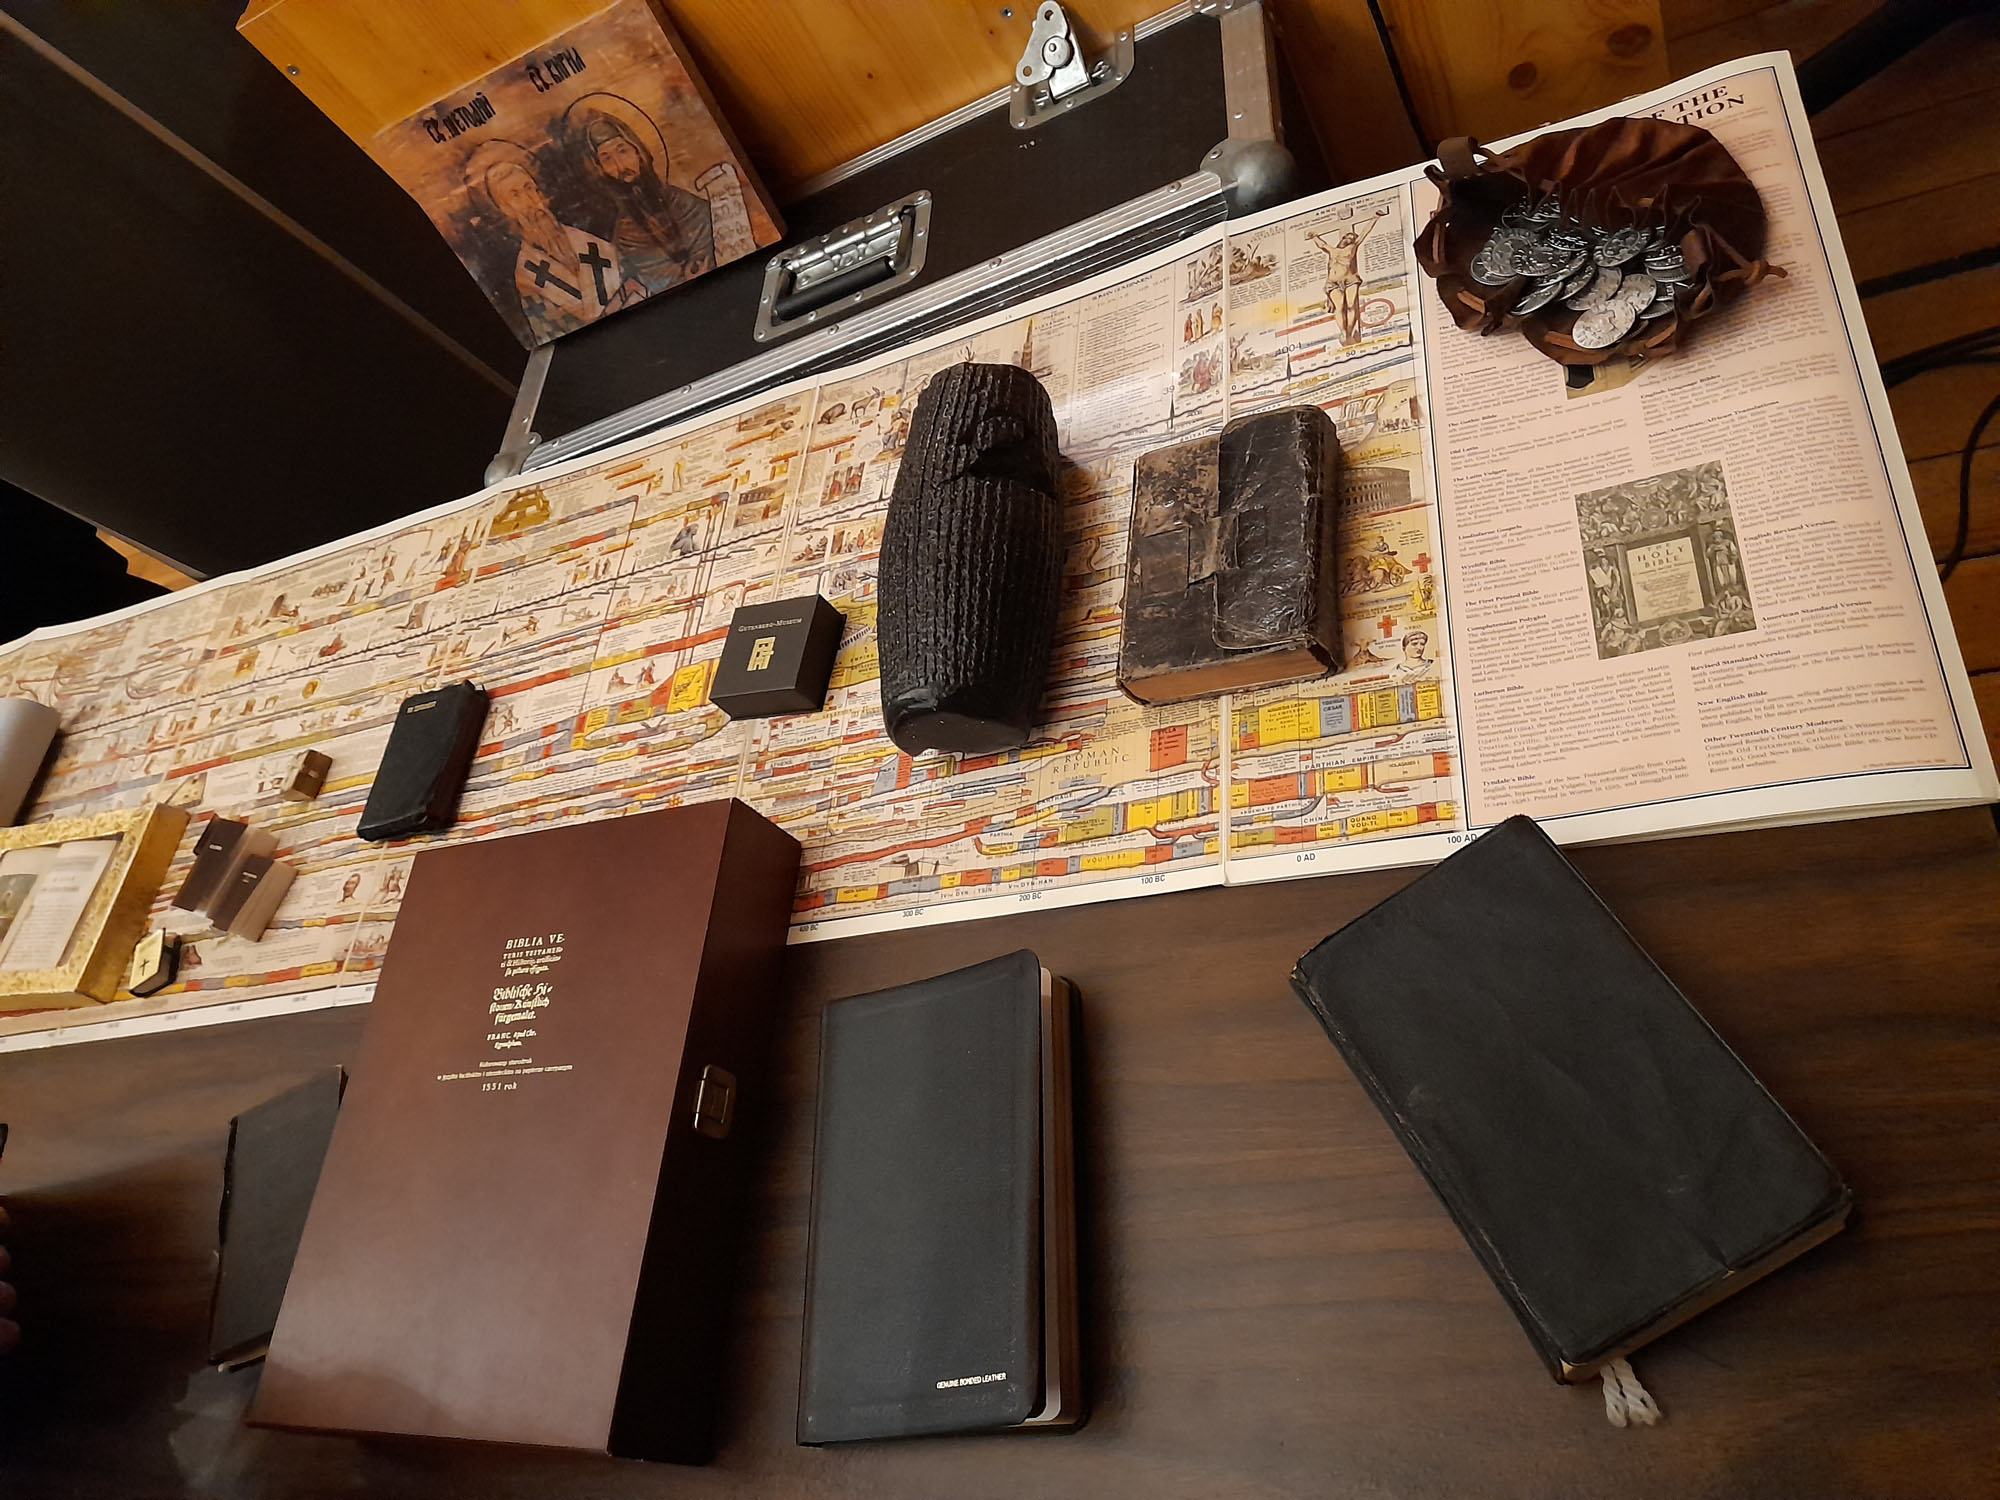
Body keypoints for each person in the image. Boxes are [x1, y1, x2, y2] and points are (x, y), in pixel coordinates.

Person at [466, 140, 632, 341]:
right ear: (505, 210)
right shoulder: (528, 277)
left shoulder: (590, 242)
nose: (530, 201)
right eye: (515, 195)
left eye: (529, 188)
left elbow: (636, 282)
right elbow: (549, 336)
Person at [572, 106, 715, 295]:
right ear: (601, 170)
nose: (620, 166)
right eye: (607, 160)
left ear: (638, 152)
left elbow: (712, 229)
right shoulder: (624, 236)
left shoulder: (682, 201)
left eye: (623, 151)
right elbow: (652, 282)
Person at [1307, 205, 1391, 345]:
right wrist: (1314, 237)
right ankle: (1343, 331)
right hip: (1333, 283)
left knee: (1351, 305)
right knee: (1339, 306)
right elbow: (1321, 244)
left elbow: (1364, 233)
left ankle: (1350, 330)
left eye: (1351, 238)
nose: (1348, 239)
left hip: (1350, 280)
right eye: (1347, 237)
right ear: (1342, 238)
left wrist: (1375, 218)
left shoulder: (1352, 247)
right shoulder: (1332, 250)